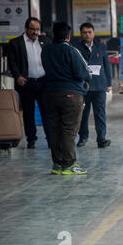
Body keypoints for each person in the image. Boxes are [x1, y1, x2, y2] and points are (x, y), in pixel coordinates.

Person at [41, 22, 91, 175]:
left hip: (50, 94)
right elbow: (83, 72)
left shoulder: (46, 50)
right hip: (71, 95)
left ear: (54, 34)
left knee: (54, 129)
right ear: (68, 36)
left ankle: (57, 164)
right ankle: (69, 165)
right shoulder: (71, 50)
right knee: (69, 130)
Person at [8, 17, 51, 148]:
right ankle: (31, 140)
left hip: (43, 83)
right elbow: (12, 62)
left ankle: (50, 139)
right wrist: (17, 76)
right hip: (26, 83)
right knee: (28, 112)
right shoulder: (16, 43)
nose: (35, 32)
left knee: (47, 111)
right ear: (26, 28)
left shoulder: (45, 41)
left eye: (37, 29)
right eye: (32, 29)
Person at [74, 22, 112, 148]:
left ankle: (101, 139)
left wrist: (109, 83)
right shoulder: (76, 48)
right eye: (84, 32)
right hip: (83, 86)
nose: (87, 34)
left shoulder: (101, 47)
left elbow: (106, 65)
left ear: (93, 33)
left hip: (99, 86)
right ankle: (83, 137)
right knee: (83, 114)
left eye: (89, 32)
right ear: (81, 34)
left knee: (100, 114)